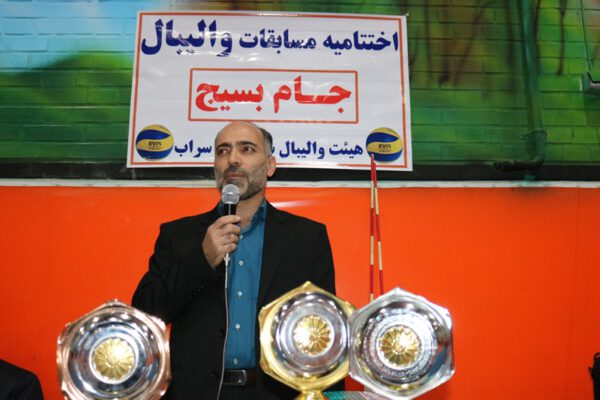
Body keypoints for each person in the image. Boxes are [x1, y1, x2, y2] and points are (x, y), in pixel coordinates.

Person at [132, 121, 338, 400]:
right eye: (223, 151)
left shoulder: (306, 238)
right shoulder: (179, 235)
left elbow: (328, 330)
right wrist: (202, 259)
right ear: (215, 167)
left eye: (247, 149)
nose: (233, 159)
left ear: (270, 165)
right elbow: (145, 312)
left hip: (278, 394)